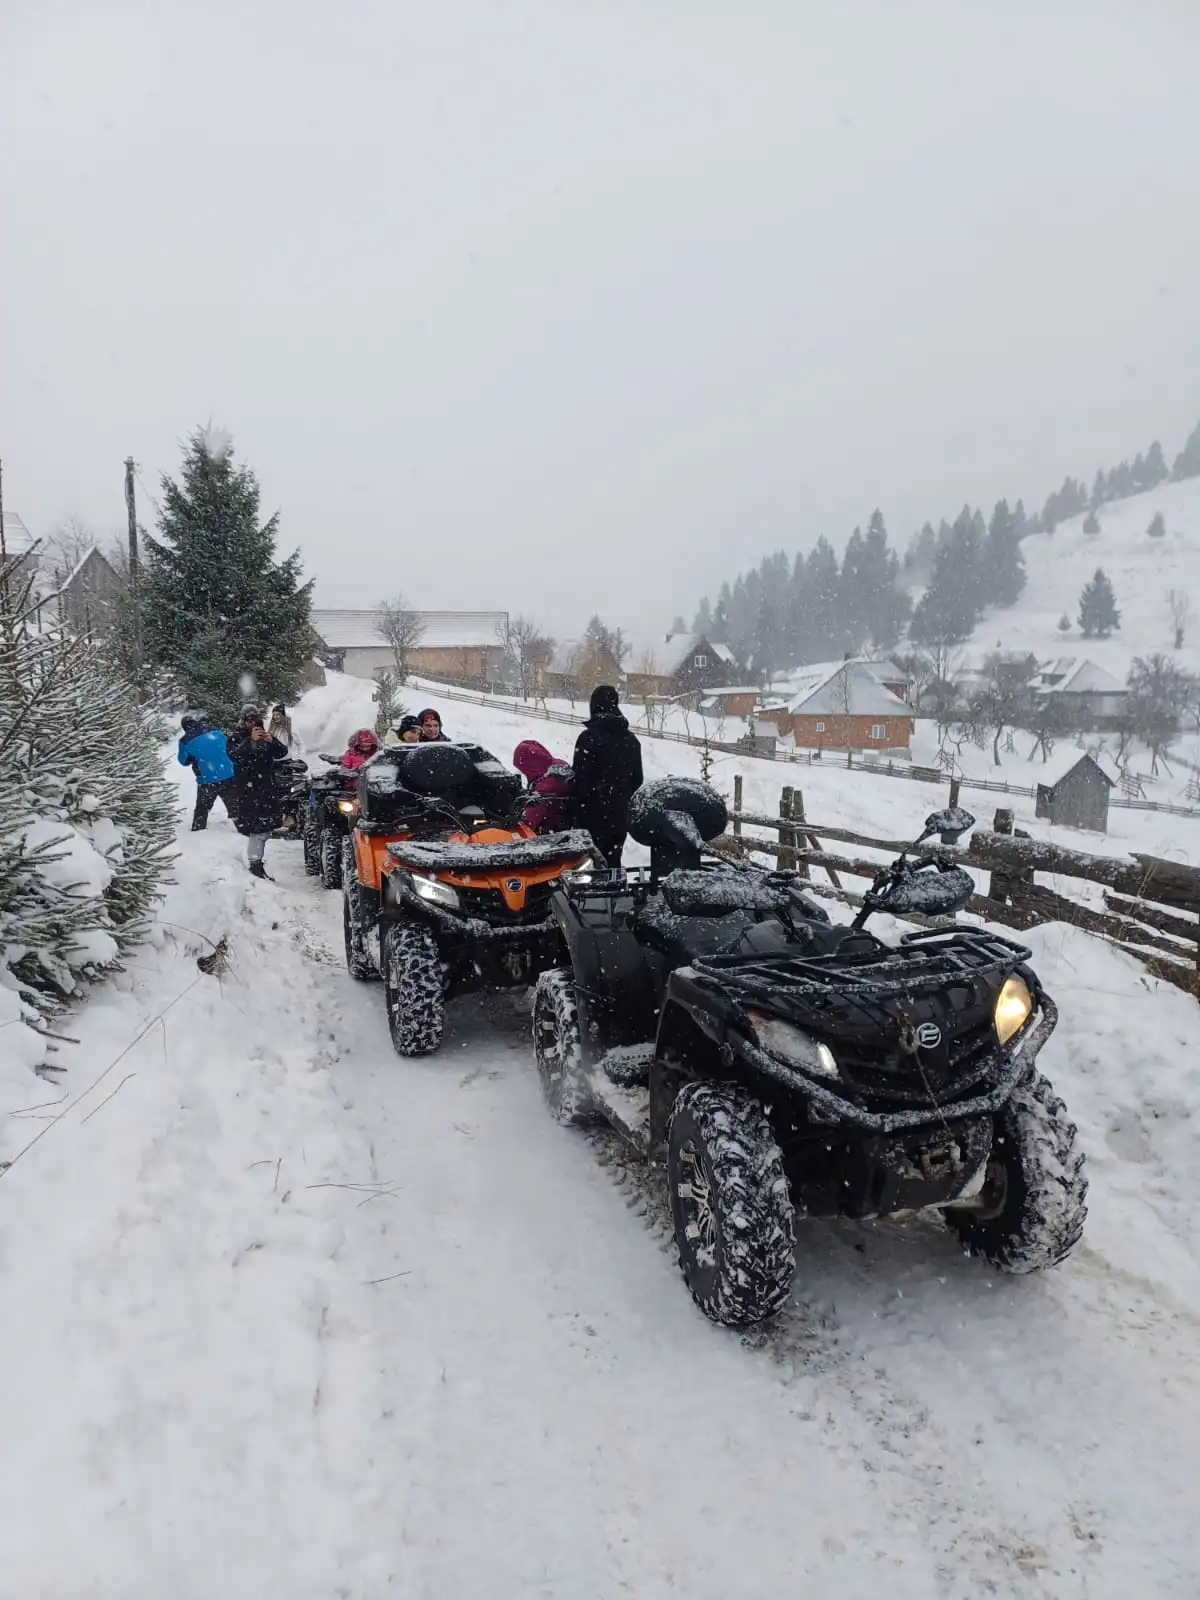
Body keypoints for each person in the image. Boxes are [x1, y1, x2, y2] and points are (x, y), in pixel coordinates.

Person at [568, 685, 643, 867]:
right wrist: (620, 795)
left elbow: (580, 779)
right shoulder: (631, 740)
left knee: (588, 867)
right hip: (619, 816)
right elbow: (637, 778)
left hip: (590, 815)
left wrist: (580, 804)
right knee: (613, 862)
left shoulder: (588, 738)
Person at [230, 714, 288, 878]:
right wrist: (250, 741)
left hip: (266, 788)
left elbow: (281, 752)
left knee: (265, 827)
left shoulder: (265, 737)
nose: (253, 725)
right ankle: (255, 863)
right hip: (248, 789)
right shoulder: (236, 738)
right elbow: (234, 756)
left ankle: (257, 862)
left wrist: (272, 741)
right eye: (249, 721)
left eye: (256, 722)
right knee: (256, 828)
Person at [178, 714, 236, 831]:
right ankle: (243, 827)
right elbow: (227, 746)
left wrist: (193, 757)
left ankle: (198, 829)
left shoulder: (185, 740)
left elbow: (183, 761)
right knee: (234, 804)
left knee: (202, 808)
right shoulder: (216, 731)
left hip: (207, 778)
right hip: (228, 773)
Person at [513, 739, 573, 834]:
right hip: (566, 818)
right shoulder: (558, 766)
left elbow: (529, 822)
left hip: (554, 830)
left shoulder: (546, 786)